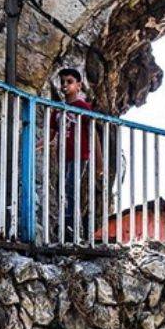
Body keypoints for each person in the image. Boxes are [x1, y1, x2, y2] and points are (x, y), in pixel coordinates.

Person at [53, 67, 101, 238]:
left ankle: (71, 225)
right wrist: (33, 145)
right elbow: (52, 135)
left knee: (71, 187)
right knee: (63, 188)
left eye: (69, 82)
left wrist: (99, 160)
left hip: (79, 154)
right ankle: (67, 224)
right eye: (62, 82)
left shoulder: (83, 106)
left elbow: (93, 131)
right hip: (63, 156)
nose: (65, 85)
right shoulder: (57, 109)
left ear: (79, 86)